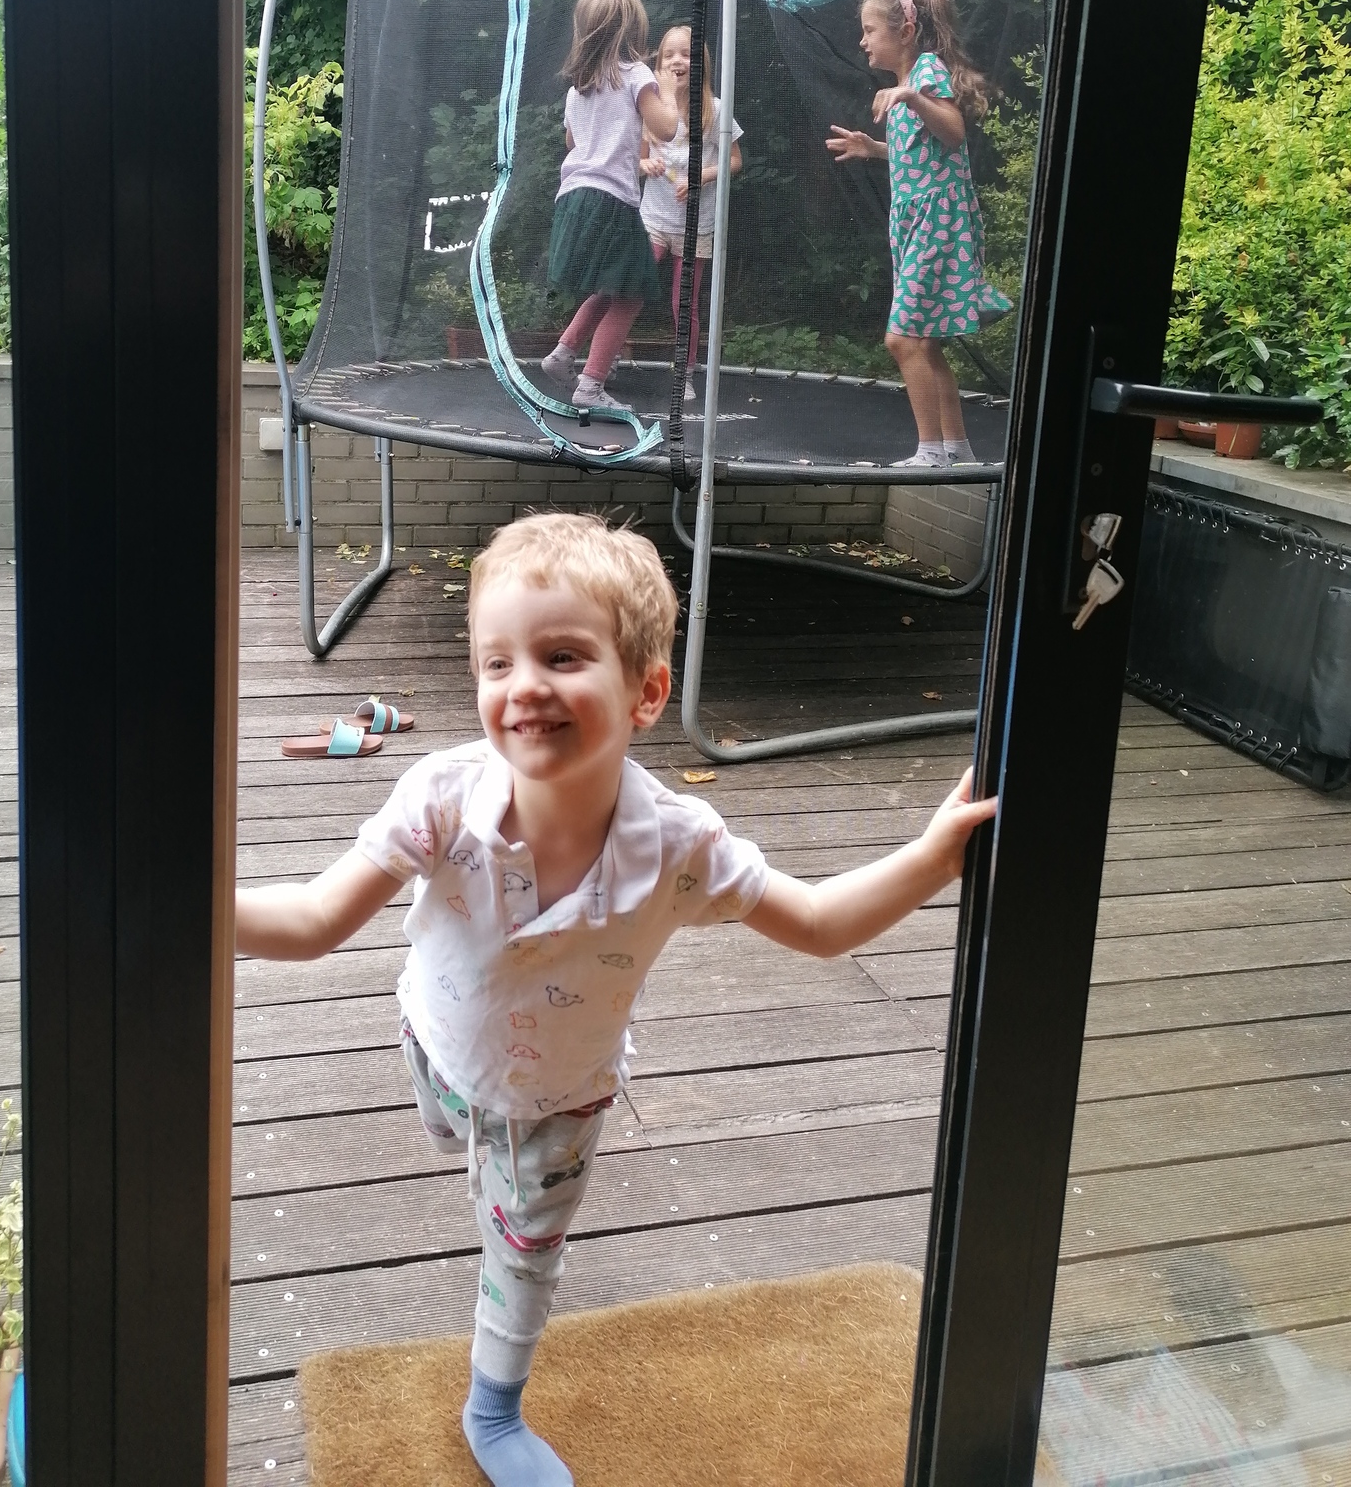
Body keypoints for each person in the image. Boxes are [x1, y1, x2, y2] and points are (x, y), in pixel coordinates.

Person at [235, 511, 996, 1487]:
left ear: (647, 691)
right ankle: (470, 1142)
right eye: (497, 662)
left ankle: (492, 1408)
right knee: (458, 1130)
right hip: (434, 1038)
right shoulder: (440, 798)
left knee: (524, 1252)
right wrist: (195, 903)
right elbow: (311, 920)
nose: (524, 685)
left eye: (561, 655)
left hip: (561, 1099)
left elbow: (816, 922)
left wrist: (933, 857)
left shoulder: (680, 844)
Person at [827, 0, 1011, 466]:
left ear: (905, 32)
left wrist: (910, 96)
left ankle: (930, 451)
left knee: (902, 339)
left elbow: (953, 131)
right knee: (926, 344)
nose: (862, 41)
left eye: (870, 30)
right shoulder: (908, 85)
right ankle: (957, 450)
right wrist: (875, 149)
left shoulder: (926, 71)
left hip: (938, 223)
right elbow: (922, 154)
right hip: (917, 224)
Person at [540, 0, 679, 412]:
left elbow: (572, 141)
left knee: (613, 284)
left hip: (573, 198)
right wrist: (668, 90)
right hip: (611, 200)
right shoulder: (637, 76)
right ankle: (591, 385)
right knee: (632, 294)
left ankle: (563, 354)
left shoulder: (577, 88)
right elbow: (666, 128)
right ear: (631, 32)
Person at [639, 24, 743, 401]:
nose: (676, 61)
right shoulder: (651, 107)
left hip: (694, 226)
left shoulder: (714, 110)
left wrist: (702, 175)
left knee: (683, 302)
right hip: (653, 218)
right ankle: (610, 354)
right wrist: (645, 165)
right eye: (668, 55)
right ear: (658, 65)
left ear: (701, 64)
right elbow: (637, 159)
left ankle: (684, 372)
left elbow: (735, 161)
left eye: (685, 54)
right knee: (629, 281)